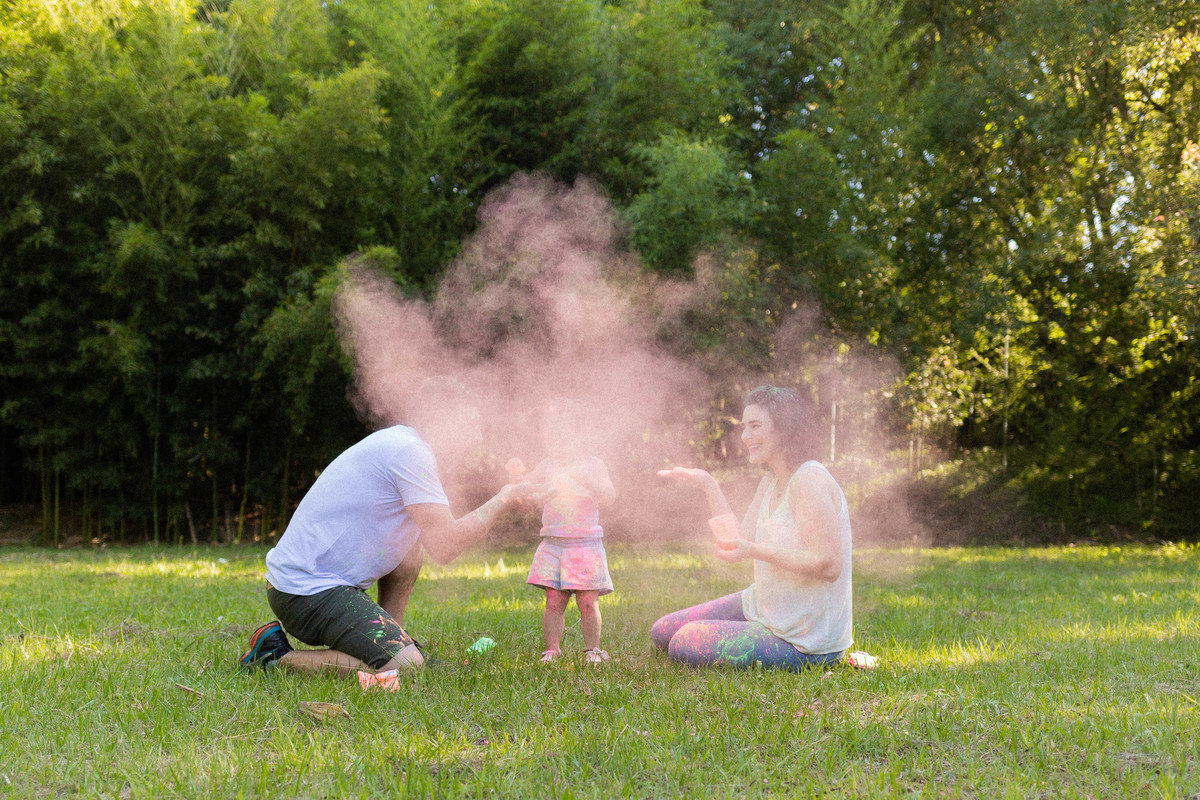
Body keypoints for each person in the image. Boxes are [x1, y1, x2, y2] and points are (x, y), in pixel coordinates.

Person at [238, 376, 551, 677]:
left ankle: (393, 637)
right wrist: (504, 499)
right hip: (306, 591)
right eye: (470, 424)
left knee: (411, 550)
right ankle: (275, 658)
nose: (477, 437)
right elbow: (445, 545)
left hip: (317, 586)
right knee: (407, 666)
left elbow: (431, 539)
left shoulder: (406, 447)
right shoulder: (410, 452)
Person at [652, 385, 852, 670]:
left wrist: (755, 550)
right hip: (765, 608)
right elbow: (738, 541)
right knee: (663, 630)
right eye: (744, 427)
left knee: (685, 641)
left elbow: (829, 565)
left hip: (805, 640)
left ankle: (815, 655)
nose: (745, 436)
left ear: (785, 429)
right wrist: (709, 485)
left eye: (755, 426)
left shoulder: (809, 481)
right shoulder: (770, 481)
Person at [509, 399, 616, 664]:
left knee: (588, 603)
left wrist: (589, 481)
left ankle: (592, 650)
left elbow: (611, 496)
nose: (556, 444)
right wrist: (517, 477)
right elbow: (526, 493)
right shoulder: (548, 465)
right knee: (554, 602)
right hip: (554, 543)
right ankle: (552, 650)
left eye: (562, 437)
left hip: (585, 545)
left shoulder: (593, 465)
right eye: (551, 438)